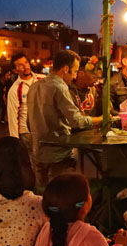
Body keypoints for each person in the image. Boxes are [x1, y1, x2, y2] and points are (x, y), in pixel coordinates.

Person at [26, 50, 102, 189]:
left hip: (38, 152)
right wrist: (99, 119)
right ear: (65, 69)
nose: (74, 76)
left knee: (42, 194)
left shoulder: (35, 86)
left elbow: (28, 122)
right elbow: (76, 121)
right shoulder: (60, 87)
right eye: (74, 71)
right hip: (58, 154)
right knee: (61, 194)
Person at [7, 52, 43, 147]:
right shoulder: (15, 90)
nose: (25, 66)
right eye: (20, 65)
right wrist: (15, 142)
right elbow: (12, 117)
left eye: (26, 62)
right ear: (15, 70)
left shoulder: (42, 80)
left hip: (44, 129)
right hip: (27, 133)